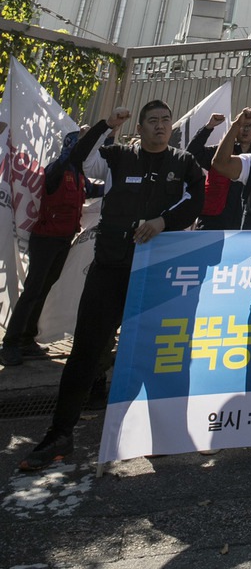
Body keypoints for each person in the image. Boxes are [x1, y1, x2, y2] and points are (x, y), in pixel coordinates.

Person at [19, 100, 206, 472]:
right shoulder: (117, 155)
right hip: (110, 267)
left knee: (163, 355)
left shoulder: (184, 163)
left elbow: (197, 201)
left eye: (165, 121)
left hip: (158, 272)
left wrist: (163, 222)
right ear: (141, 126)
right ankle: (59, 436)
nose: (160, 126)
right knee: (86, 352)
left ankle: (165, 431)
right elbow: (79, 159)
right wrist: (106, 124)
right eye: (152, 120)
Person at [1, 129, 87, 367]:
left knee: (44, 289)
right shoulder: (56, 170)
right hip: (45, 240)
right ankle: (10, 343)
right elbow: (57, 168)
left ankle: (28, 339)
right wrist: (71, 148)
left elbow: (95, 190)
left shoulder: (80, 174)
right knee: (32, 291)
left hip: (63, 240)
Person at [187, 109, 251, 230]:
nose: (245, 130)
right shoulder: (219, 154)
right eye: (241, 125)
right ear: (235, 128)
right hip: (213, 221)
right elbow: (192, 154)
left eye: (249, 126)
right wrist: (209, 127)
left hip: (245, 224)